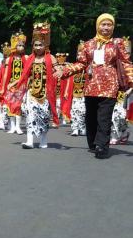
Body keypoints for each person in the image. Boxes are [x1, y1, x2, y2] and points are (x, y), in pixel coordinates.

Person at [55, 14, 133, 159]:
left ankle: (102, 147)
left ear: (113, 27)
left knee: (104, 117)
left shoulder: (117, 43)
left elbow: (126, 63)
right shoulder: (88, 44)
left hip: (110, 86)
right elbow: (81, 63)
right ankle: (93, 143)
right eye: (103, 24)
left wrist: (131, 80)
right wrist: (64, 71)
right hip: (91, 85)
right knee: (90, 118)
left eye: (109, 25)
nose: (106, 27)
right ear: (98, 26)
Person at [9, 23, 58, 149]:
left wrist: (60, 72)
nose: (37, 47)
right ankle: (29, 141)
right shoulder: (30, 58)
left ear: (45, 45)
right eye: (35, 45)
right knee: (30, 115)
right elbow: (24, 75)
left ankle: (43, 140)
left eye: (40, 45)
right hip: (31, 92)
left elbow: (59, 71)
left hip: (46, 93)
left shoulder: (51, 58)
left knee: (43, 117)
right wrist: (13, 83)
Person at [2, 31, 28, 135]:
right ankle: (12, 126)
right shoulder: (9, 59)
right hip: (10, 86)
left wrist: (16, 82)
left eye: (22, 45)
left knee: (19, 106)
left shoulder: (26, 58)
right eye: (19, 45)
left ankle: (18, 126)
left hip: (21, 86)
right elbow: (5, 75)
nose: (21, 47)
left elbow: (26, 73)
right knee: (10, 106)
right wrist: (3, 87)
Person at [61, 41, 86, 136]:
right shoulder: (74, 67)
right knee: (75, 111)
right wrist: (67, 91)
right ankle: (75, 128)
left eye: (82, 53)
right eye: (78, 53)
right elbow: (68, 80)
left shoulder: (88, 68)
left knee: (83, 112)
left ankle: (83, 128)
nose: (80, 55)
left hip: (85, 95)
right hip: (75, 94)